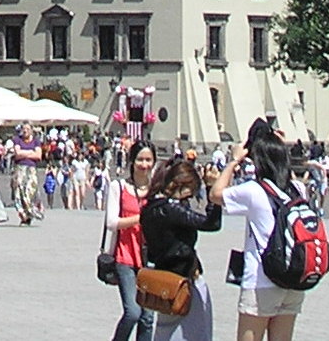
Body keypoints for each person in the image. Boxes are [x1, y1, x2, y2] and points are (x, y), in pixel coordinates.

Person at [141, 150, 234, 341]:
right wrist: (211, 191)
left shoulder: (149, 208)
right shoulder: (171, 209)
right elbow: (211, 224)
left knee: (165, 333)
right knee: (198, 335)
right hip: (184, 283)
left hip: (162, 282)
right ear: (183, 186)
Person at [225, 132, 308, 340]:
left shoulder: (253, 191)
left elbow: (216, 193)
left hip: (261, 281)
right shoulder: (298, 189)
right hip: (291, 279)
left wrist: (234, 160)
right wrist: (276, 144)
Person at [105, 140, 157, 341]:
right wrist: (140, 218)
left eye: (148, 160)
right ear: (132, 161)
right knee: (133, 312)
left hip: (149, 259)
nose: (144, 165)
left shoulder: (156, 189)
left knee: (147, 317)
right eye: (140, 159)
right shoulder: (119, 187)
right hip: (125, 256)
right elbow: (111, 222)